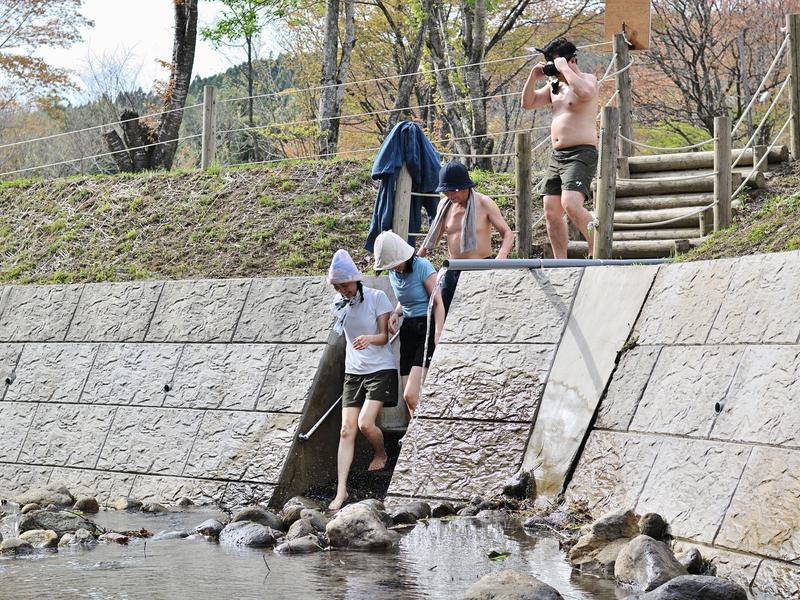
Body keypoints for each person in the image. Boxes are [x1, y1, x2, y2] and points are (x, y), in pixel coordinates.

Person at [327, 249, 398, 511]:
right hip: (353, 371)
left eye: (345, 285)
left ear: (357, 280)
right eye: (338, 286)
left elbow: (383, 337)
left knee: (366, 424)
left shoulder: (377, 297)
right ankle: (341, 490)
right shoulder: (338, 304)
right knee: (347, 430)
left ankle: (381, 452)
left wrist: (369, 338)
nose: (343, 290)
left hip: (380, 367)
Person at [520, 37, 599, 259]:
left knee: (571, 204)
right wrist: (532, 78)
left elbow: (585, 93)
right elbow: (527, 103)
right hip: (558, 156)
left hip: (581, 153)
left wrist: (566, 67)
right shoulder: (554, 87)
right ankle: (560, 261)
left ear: (571, 60)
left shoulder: (587, 80)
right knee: (551, 210)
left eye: (554, 63)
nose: (552, 69)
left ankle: (597, 245)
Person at [419, 160, 513, 313]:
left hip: (480, 267)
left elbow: (508, 234)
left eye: (453, 190)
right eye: (446, 191)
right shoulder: (444, 205)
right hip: (453, 268)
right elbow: (433, 237)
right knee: (443, 311)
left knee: (480, 312)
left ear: (465, 186)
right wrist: (415, 260)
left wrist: (501, 256)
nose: (449, 195)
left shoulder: (484, 203)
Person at [373, 231, 444, 416]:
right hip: (408, 330)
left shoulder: (422, 266)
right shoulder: (394, 273)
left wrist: (438, 333)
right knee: (408, 400)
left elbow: (437, 302)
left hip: (426, 328)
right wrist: (396, 312)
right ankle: (417, 439)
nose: (394, 268)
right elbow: (405, 300)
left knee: (412, 394)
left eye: (395, 264)